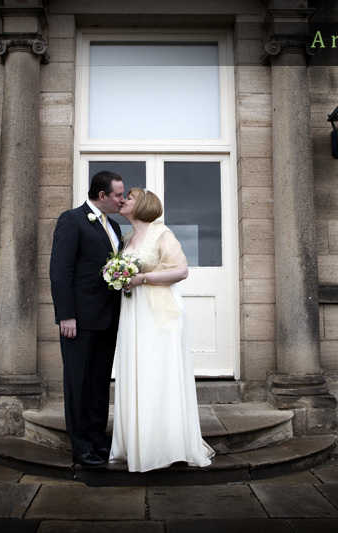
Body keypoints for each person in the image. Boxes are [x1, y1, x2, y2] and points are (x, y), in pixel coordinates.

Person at [109, 188, 215, 472]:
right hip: (134, 312)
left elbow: (181, 270)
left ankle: (168, 445)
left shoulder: (161, 233)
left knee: (159, 372)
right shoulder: (128, 237)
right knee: (139, 372)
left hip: (160, 314)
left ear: (142, 204)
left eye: (129, 197)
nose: (123, 200)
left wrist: (142, 278)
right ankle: (139, 443)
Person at [49, 170, 125, 469]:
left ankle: (96, 438)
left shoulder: (114, 226)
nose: (122, 200)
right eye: (118, 195)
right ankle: (80, 446)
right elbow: (60, 271)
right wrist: (66, 315)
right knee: (78, 383)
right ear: (102, 195)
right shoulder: (72, 220)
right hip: (79, 320)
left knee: (99, 382)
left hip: (109, 318)